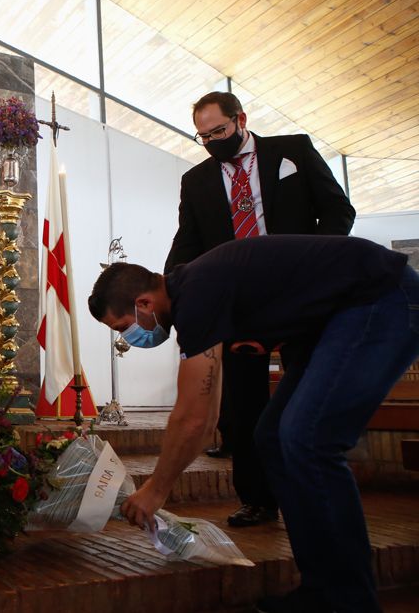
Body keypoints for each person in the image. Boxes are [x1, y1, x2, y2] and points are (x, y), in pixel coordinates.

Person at [88, 235, 419, 613]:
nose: (129, 338)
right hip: (339, 319)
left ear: (144, 302)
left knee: (307, 438)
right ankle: (322, 590)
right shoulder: (194, 292)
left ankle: (348, 601)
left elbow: (197, 415)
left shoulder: (197, 294)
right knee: (275, 438)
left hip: (382, 297)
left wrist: (155, 490)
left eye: (123, 327)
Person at [164, 91, 355, 528]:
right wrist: (171, 286)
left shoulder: (292, 151)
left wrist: (315, 269)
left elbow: (338, 210)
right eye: (203, 136)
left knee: (307, 391)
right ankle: (257, 499)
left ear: (241, 120)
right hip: (241, 306)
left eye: (220, 132)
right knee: (244, 406)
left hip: (300, 296)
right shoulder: (197, 181)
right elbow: (187, 243)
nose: (213, 141)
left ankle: (316, 493)